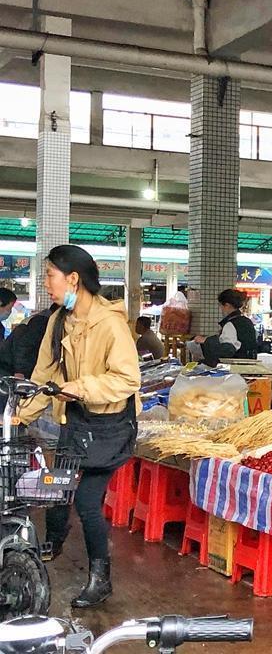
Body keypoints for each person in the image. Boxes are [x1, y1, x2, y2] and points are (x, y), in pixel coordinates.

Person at [15, 245, 140, 608]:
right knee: (58, 485)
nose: (46, 285)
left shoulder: (111, 324)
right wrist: (18, 414)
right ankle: (53, 540)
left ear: (73, 279)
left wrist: (81, 388)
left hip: (108, 429)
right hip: (75, 424)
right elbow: (45, 377)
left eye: (50, 277)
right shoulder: (58, 320)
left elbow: (127, 378)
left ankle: (100, 578)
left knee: (86, 502)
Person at [187, 289, 258, 366]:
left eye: (221, 305)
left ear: (227, 305)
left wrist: (206, 341)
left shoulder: (230, 324)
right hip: (250, 365)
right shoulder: (247, 321)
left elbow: (228, 349)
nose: (220, 308)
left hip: (235, 368)